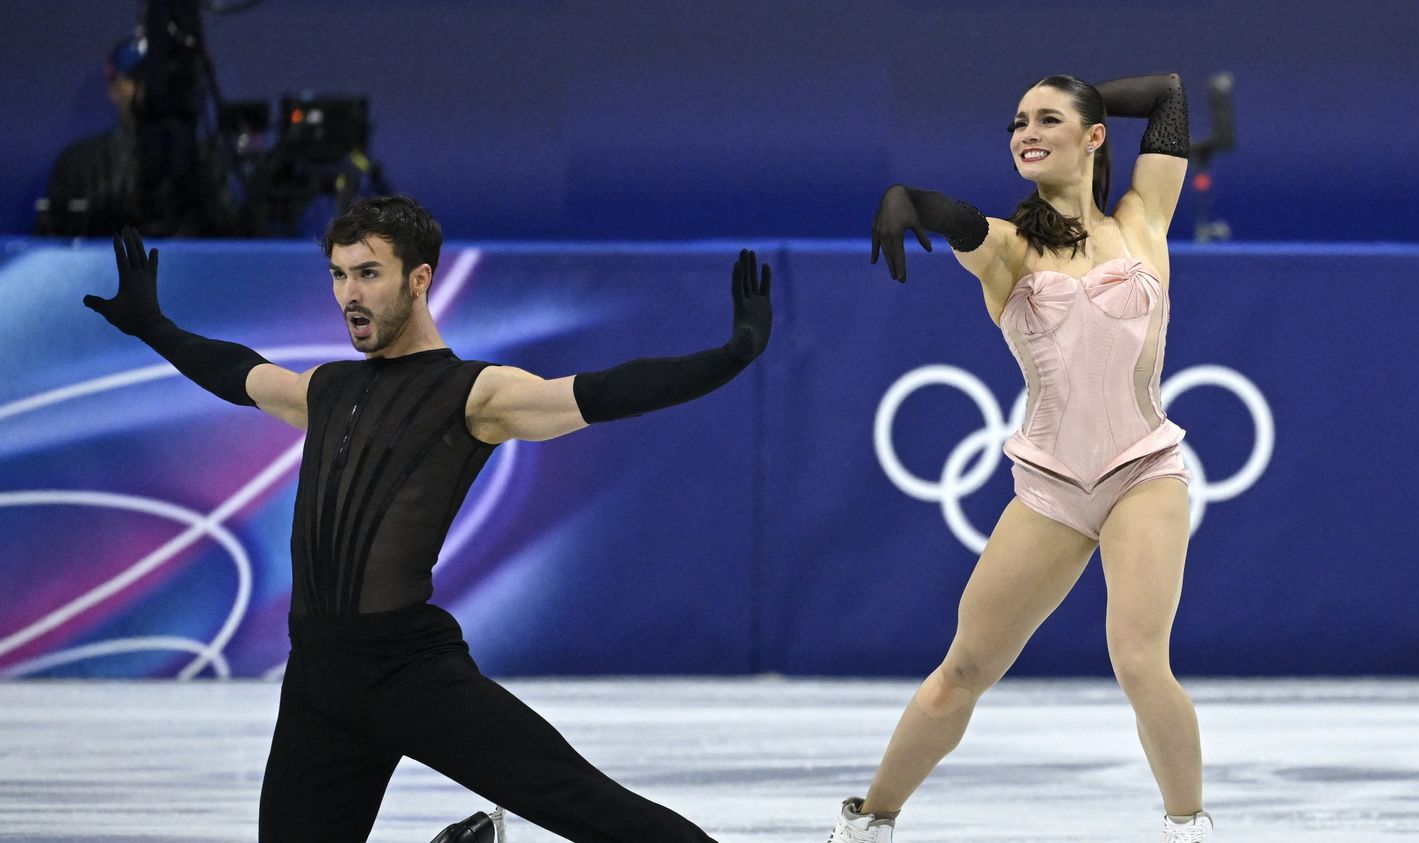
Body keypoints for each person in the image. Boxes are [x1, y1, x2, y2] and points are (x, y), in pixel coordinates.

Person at [83, 195, 772, 843]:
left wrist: (729, 355)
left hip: (410, 670)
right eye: (339, 274)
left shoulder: (475, 393)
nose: (349, 293)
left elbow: (600, 392)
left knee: (588, 804)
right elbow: (241, 373)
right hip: (318, 681)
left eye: (369, 273)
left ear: (419, 279)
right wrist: (154, 325)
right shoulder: (327, 387)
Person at [832, 73, 1212, 842]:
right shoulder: (1008, 246)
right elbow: (960, 221)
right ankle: (871, 820)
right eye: (1016, 122)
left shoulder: (1145, 216)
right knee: (963, 672)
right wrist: (908, 197)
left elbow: (1171, 96)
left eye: (1047, 119)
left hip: (1145, 466)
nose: (1025, 131)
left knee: (1140, 659)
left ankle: (1187, 825)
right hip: (1051, 485)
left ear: (1094, 136)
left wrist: (1091, 94)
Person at [35, 34, 146, 237]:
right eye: (135, 78)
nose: (145, 89)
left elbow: (219, 249)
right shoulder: (78, 163)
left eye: (156, 77)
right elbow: (49, 249)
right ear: (113, 88)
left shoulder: (199, 163)